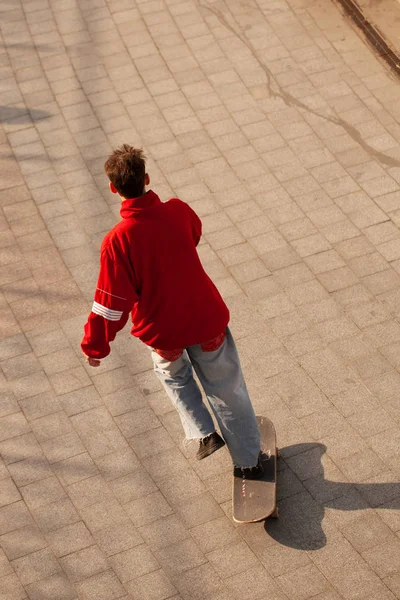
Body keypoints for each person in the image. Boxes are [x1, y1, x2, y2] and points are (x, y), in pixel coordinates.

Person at [81, 144, 263, 479]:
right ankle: (249, 461)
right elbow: (194, 233)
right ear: (147, 178)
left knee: (174, 376)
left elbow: (109, 303)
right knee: (225, 388)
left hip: (162, 332)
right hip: (205, 320)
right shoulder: (178, 210)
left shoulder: (116, 242)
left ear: (113, 188)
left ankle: (203, 432)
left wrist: (95, 347)